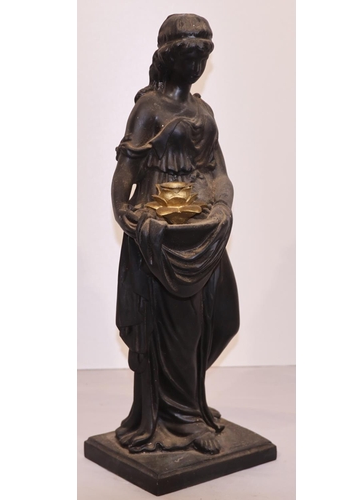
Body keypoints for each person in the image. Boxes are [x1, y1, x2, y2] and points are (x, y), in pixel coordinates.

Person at [111, 13, 239, 455]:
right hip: (161, 235)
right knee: (178, 328)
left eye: (202, 56)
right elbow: (125, 173)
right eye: (188, 56)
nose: (196, 65)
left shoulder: (204, 112)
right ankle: (180, 418)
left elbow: (219, 173)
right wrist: (124, 211)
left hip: (202, 228)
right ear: (168, 58)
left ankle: (187, 401)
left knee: (222, 318)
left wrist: (222, 205)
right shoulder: (148, 108)